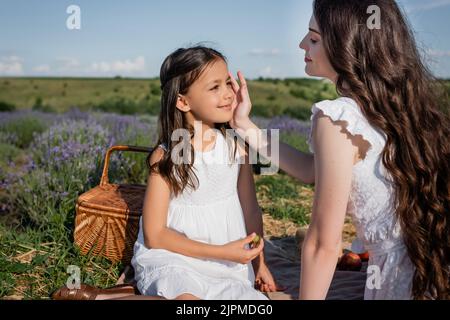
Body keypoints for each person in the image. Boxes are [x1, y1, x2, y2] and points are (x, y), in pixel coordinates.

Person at [228, 0, 449, 300]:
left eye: (314, 38)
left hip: (399, 283)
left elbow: (323, 243)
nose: (302, 44)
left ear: (348, 46)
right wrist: (245, 126)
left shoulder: (337, 116)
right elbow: (311, 170)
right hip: (427, 270)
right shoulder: (394, 105)